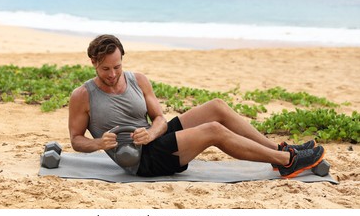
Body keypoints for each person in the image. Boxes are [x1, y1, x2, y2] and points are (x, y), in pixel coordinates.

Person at [68, 34, 325, 178]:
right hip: (140, 161)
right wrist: (99, 143)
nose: (113, 74)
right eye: (105, 69)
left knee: (217, 106)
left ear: (122, 59)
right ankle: (286, 161)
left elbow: (159, 118)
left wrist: (152, 132)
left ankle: (279, 149)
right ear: (93, 62)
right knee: (212, 129)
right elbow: (76, 140)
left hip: (153, 140)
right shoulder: (82, 96)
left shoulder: (139, 80)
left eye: (117, 66)